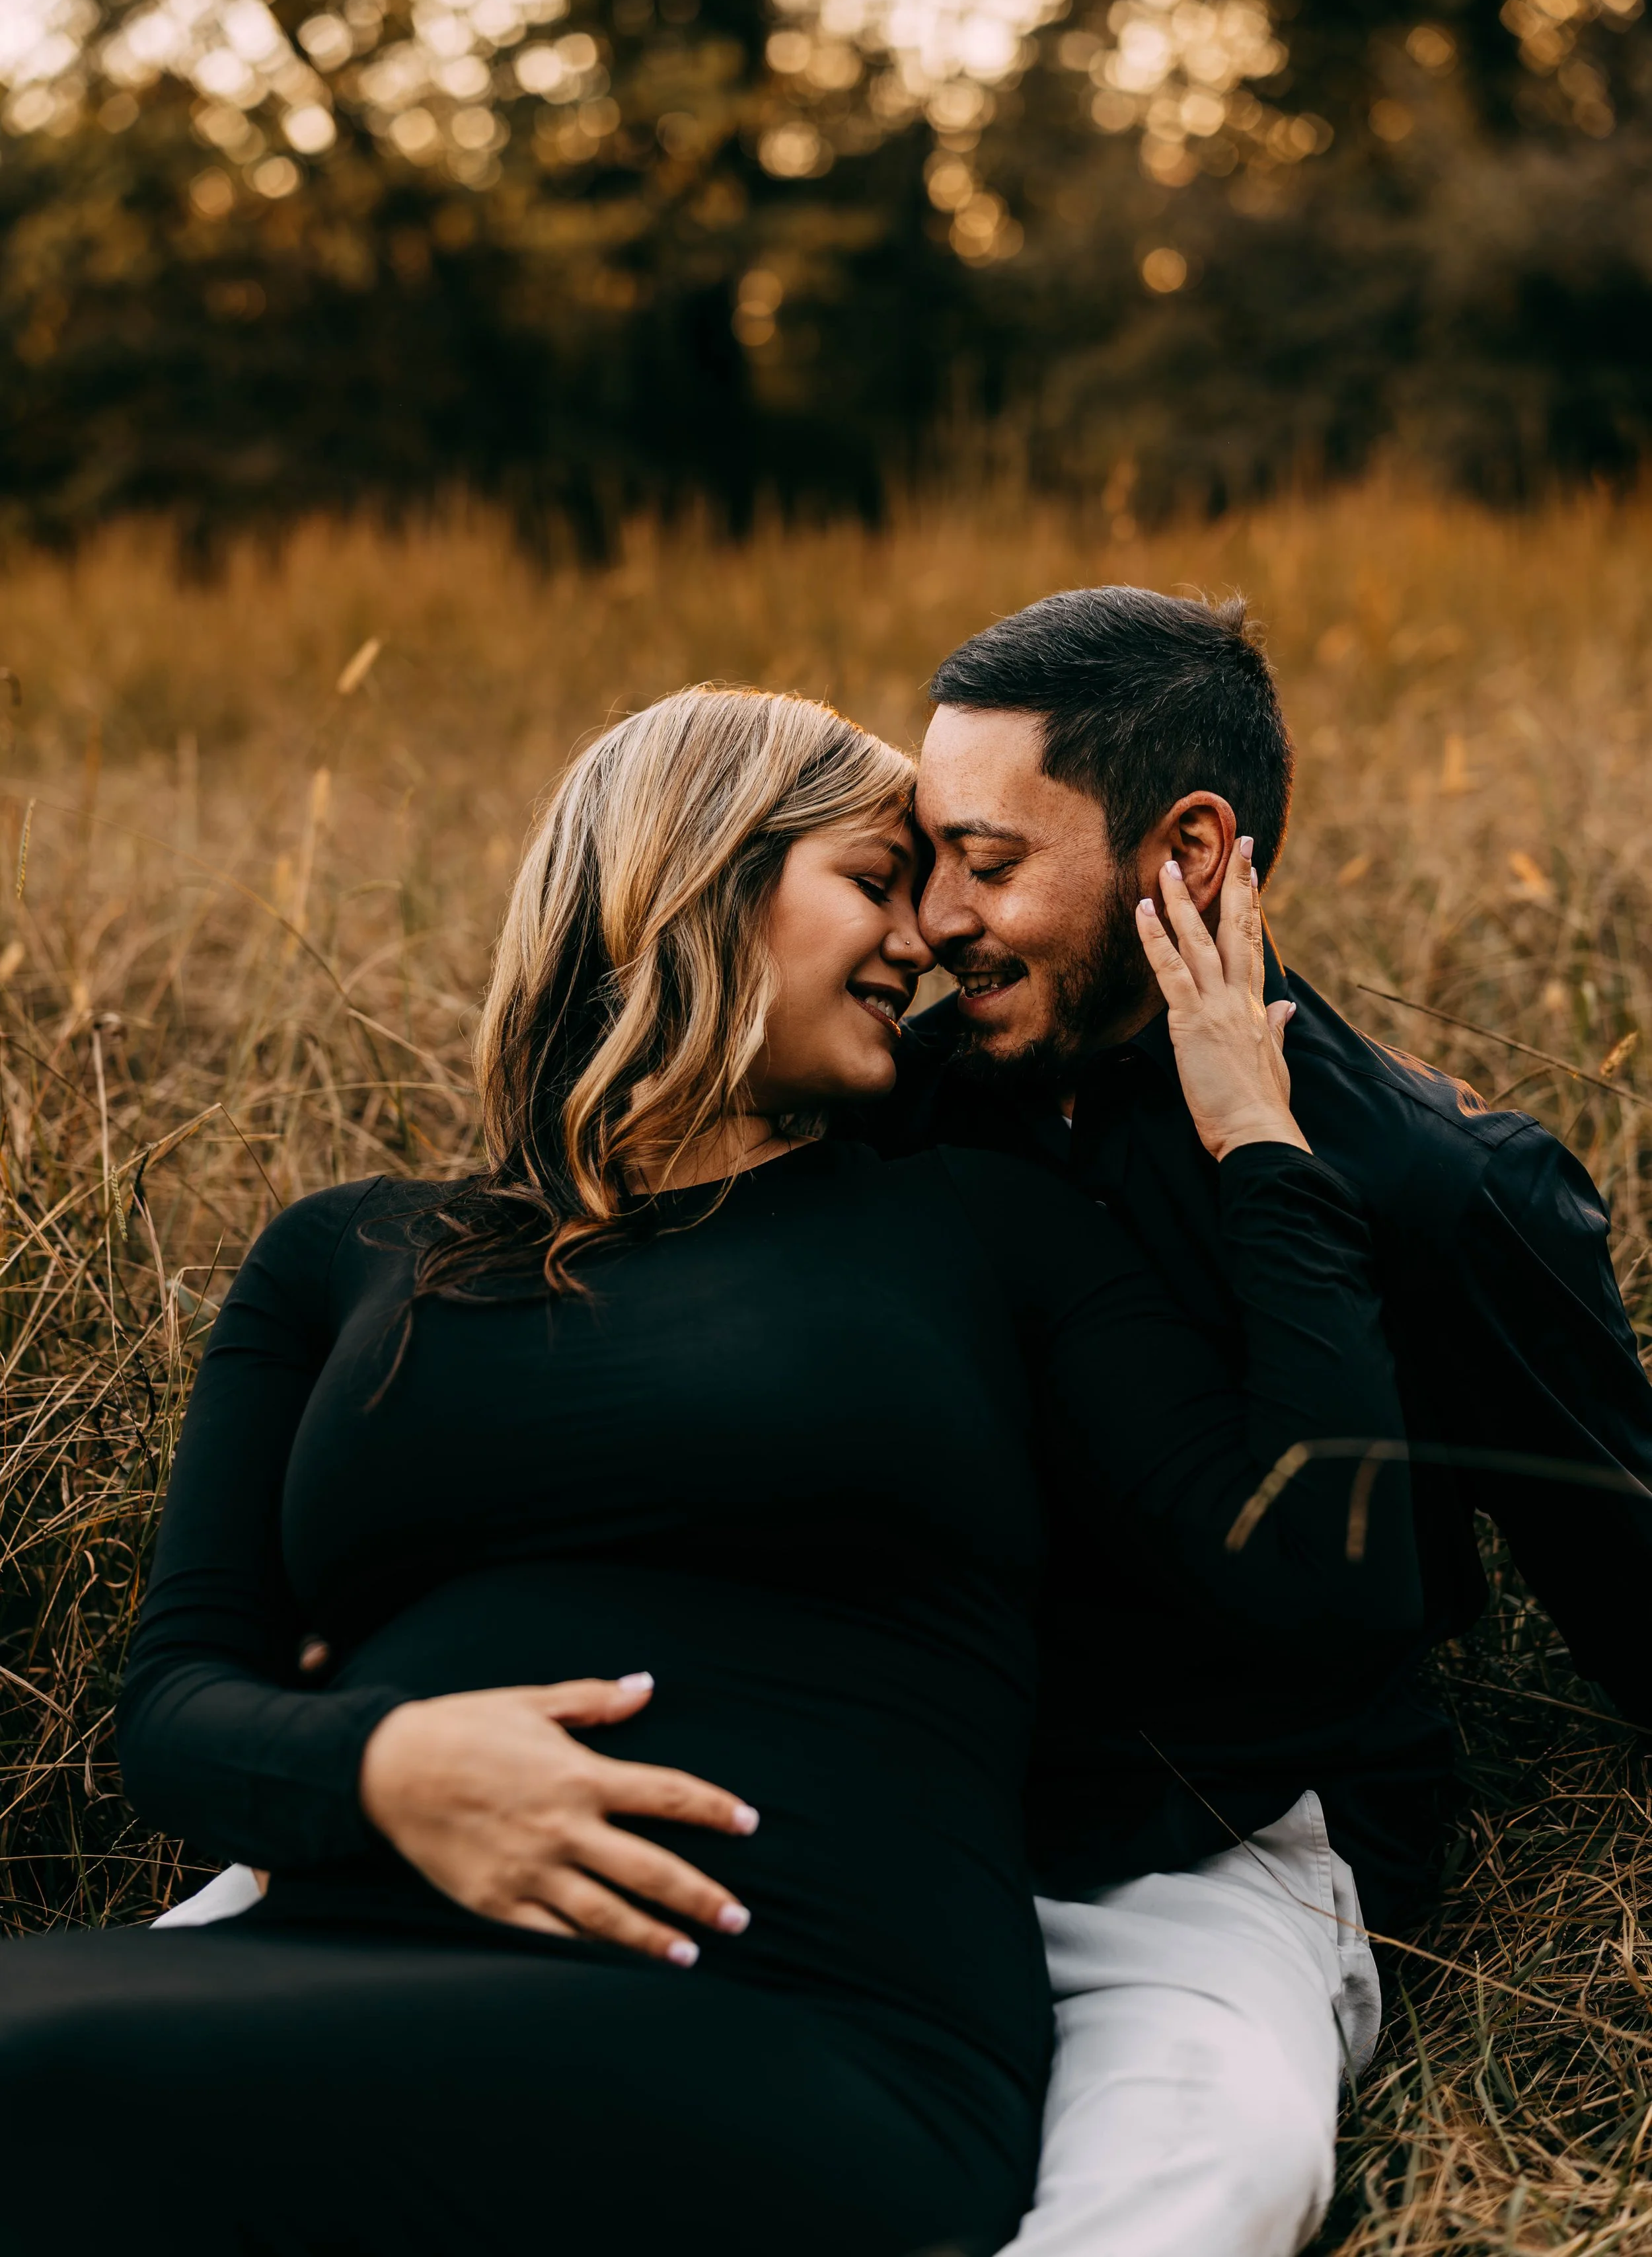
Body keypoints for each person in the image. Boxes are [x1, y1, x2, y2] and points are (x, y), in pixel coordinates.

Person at [0, 684, 1419, 2257]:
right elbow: (177, 1711)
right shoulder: (347, 1255)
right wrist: (384, 1769)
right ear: (690, 877)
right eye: (872, 885)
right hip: (338, 1943)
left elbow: (1325, 1576)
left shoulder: (974, 1229)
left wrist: (1260, 1147)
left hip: (788, 2010)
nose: (922, 940)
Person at [854, 582, 1652, 2257]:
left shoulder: (1433, 1190)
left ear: (1193, 849)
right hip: (890, 1800)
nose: (930, 923)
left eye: (989, 864)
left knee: (1201, 2184)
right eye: (925, 859)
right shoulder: (885, 1112)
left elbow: (1627, 1583)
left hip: (1224, 1849)